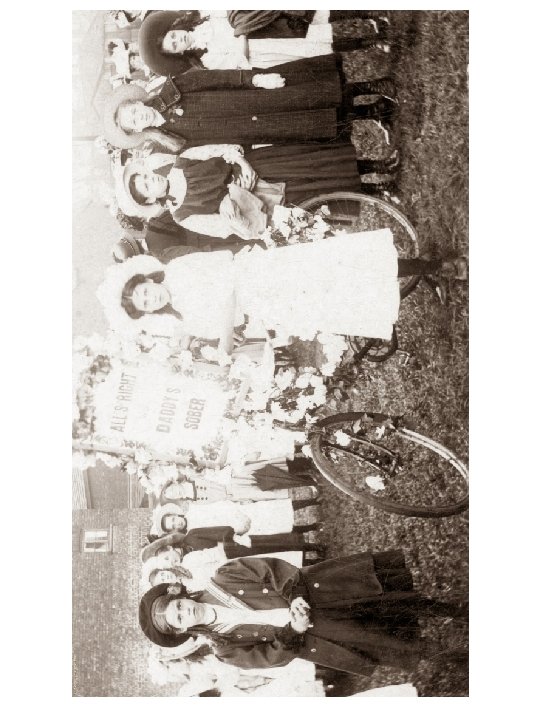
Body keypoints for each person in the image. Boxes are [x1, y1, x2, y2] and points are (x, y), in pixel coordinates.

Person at [138, 551, 468, 676]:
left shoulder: (224, 576)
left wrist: (294, 597)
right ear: (181, 631)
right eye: (179, 618)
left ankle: (456, 611)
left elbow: (270, 569)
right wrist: (293, 631)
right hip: (319, 635)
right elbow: (269, 658)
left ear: (180, 594)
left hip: (321, 592)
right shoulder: (225, 648)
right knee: (388, 641)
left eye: (178, 605)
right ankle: (457, 657)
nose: (186, 611)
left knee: (389, 602)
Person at [102, 57, 396, 151]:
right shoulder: (170, 140)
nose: (140, 117)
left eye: (134, 111)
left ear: (136, 101)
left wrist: (255, 79)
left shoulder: (173, 88)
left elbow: (218, 77)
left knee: (312, 94)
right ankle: (373, 113)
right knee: (312, 120)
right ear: (136, 131)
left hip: (255, 97)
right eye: (134, 122)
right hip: (255, 127)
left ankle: (374, 86)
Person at [114, 143, 400, 237]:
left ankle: (379, 165)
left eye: (146, 177)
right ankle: (379, 189)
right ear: (150, 199)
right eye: (147, 186)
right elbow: (225, 227)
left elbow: (222, 150)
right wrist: (236, 197)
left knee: (317, 166)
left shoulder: (183, 160)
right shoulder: (183, 215)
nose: (152, 180)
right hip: (264, 201)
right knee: (318, 194)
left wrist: (243, 163)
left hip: (260, 166)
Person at [138, 10, 391, 75]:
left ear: (175, 28)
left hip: (266, 20)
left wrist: (242, 23)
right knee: (320, 42)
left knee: (317, 16)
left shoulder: (203, 17)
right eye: (175, 45)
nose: (178, 39)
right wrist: (242, 34)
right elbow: (239, 60)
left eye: (173, 36)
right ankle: (372, 42)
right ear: (178, 53)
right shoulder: (207, 58)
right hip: (268, 45)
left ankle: (369, 16)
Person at [140, 527, 323, 567]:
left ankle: (312, 547)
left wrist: (234, 537)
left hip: (236, 545)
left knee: (273, 544)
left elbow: (217, 531)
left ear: (170, 548)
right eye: (167, 564)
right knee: (272, 559)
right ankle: (310, 561)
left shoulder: (191, 536)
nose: (171, 562)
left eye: (167, 558)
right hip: (235, 560)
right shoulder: (188, 564)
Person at [149, 498, 320, 540]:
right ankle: (311, 527)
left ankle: (312, 501)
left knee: (275, 508)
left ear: (176, 515)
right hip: (238, 529)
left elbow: (218, 504)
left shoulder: (194, 509)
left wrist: (237, 511)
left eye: (174, 519)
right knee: (275, 527)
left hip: (238, 511)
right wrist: (238, 530)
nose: (177, 523)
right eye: (173, 525)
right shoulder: (193, 533)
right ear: (174, 530)